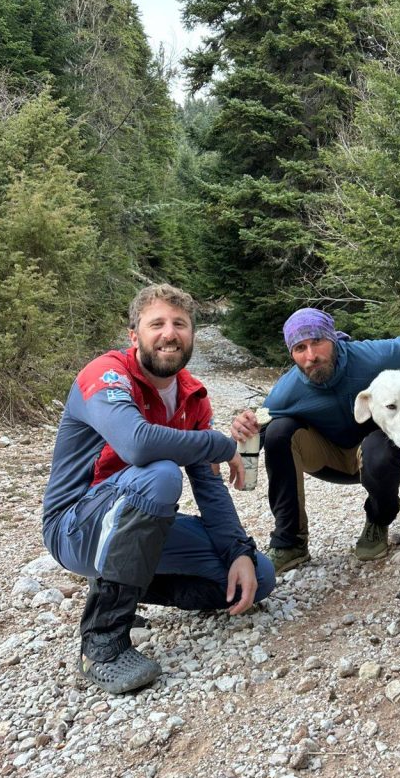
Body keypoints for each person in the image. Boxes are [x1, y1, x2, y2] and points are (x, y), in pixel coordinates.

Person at [42, 284, 275, 694]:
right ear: (134, 336)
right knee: (162, 474)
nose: (169, 333)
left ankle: (123, 587)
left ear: (191, 336)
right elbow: (137, 443)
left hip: (130, 524)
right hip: (75, 526)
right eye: (157, 324)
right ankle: (102, 644)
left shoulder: (192, 395)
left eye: (180, 324)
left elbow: (208, 484)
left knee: (259, 575)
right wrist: (222, 444)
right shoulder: (104, 374)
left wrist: (237, 550)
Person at [231, 308, 400, 575]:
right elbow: (257, 430)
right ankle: (290, 542)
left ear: (333, 339)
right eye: (300, 348)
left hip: (374, 455)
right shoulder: (288, 389)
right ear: (292, 354)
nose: (311, 356)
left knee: (378, 447)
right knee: (278, 431)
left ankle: (377, 522)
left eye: (318, 342)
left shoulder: (366, 356)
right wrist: (236, 442)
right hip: (328, 460)